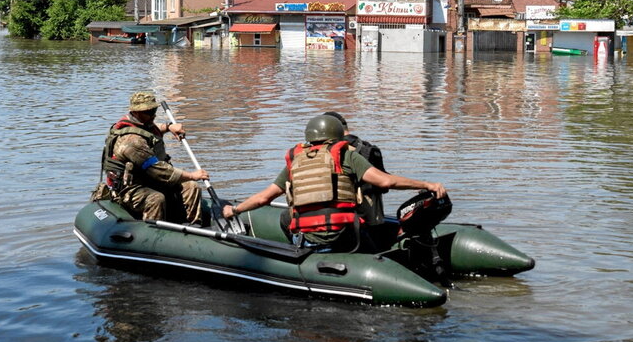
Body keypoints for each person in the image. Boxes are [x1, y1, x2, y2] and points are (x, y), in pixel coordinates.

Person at [222, 114, 446, 252]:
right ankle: (373, 260)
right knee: (368, 236)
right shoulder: (345, 155)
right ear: (338, 135)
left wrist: (235, 209)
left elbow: (265, 197)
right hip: (343, 236)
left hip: (309, 239)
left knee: (285, 217)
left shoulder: (296, 160)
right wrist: (426, 184)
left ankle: (298, 253)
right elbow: (386, 181)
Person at [100, 91, 209, 225]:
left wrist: (169, 127)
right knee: (156, 198)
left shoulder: (142, 123)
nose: (153, 115)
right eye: (149, 112)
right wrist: (192, 175)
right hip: (130, 188)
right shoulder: (132, 142)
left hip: (149, 180)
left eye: (154, 110)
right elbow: (159, 171)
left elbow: (152, 129)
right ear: (136, 112)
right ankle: (154, 235)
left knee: (192, 187)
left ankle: (195, 227)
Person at [322, 111, 387, 226]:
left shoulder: (325, 151)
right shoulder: (370, 149)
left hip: (340, 220)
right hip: (373, 219)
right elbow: (384, 186)